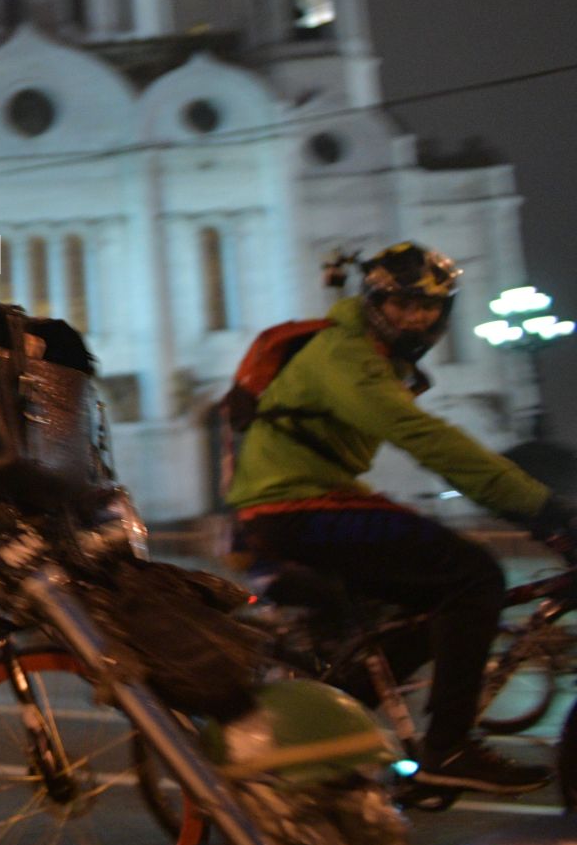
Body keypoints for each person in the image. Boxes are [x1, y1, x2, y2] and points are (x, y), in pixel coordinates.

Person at [228, 242, 573, 793]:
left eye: (431, 307)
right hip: (293, 508)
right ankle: (448, 748)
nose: (417, 317)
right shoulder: (346, 356)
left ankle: (335, 716)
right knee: (475, 576)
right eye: (402, 303)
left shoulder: (371, 358)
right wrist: (546, 511)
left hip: (305, 503)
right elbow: (430, 442)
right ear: (372, 302)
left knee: (426, 609)